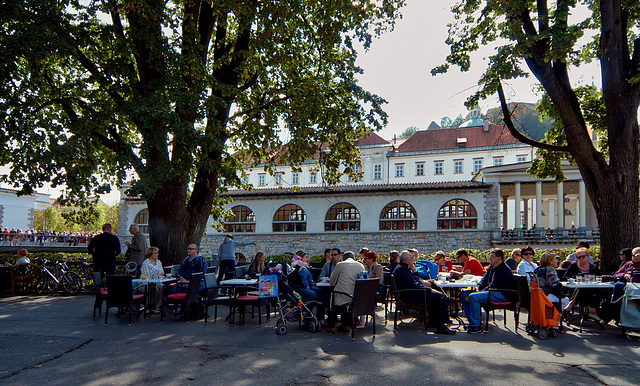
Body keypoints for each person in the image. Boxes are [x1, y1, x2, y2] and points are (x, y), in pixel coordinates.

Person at [392, 251, 456, 335]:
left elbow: (416, 281)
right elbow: (414, 285)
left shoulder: (403, 268)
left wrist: (415, 271)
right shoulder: (402, 270)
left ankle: (433, 321)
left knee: (435, 292)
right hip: (410, 296)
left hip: (411, 293)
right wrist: (430, 290)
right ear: (407, 260)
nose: (414, 259)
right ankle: (441, 326)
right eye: (412, 258)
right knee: (440, 297)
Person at [461, 248, 515, 334]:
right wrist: (478, 287)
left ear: (499, 258)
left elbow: (493, 285)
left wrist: (477, 293)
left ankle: (476, 326)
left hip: (502, 294)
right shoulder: (492, 267)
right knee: (464, 294)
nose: (490, 258)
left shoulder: (503, 269)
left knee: (473, 297)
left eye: (492, 257)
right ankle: (473, 321)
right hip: (493, 292)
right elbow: (484, 280)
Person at [328, 251, 366, 333]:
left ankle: (331, 325)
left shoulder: (340, 265)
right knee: (345, 295)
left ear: (343, 258)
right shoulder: (361, 265)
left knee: (333, 297)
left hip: (343, 297)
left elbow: (332, 282)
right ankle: (345, 325)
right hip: (356, 299)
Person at [140, 247, 165, 313]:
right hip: (145, 283)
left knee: (161, 287)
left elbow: (162, 272)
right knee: (154, 289)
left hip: (156, 281)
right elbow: (145, 275)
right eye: (156, 253)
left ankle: (157, 306)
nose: (157, 254)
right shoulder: (146, 263)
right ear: (150, 254)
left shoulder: (158, 262)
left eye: (157, 253)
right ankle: (148, 306)